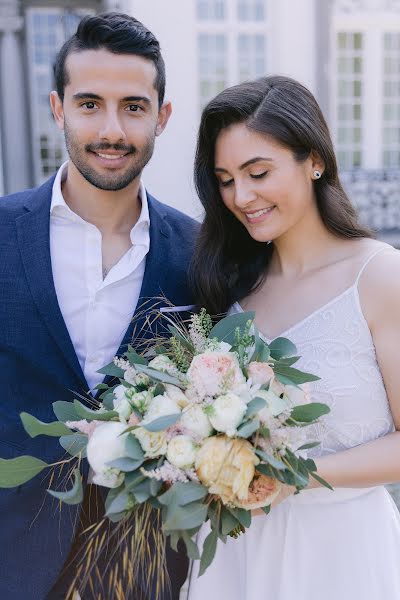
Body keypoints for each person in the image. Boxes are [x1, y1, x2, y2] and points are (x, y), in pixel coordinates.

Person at [0, 12, 197, 600]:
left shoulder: (201, 255)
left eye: (134, 106)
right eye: (90, 104)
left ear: (162, 116)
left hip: (148, 567)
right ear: (58, 109)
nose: (112, 128)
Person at [187, 75, 400, 599]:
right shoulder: (230, 293)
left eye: (258, 172)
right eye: (225, 179)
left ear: (314, 161)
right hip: (234, 554)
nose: (242, 196)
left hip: (341, 555)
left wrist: (294, 477)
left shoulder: (378, 276)